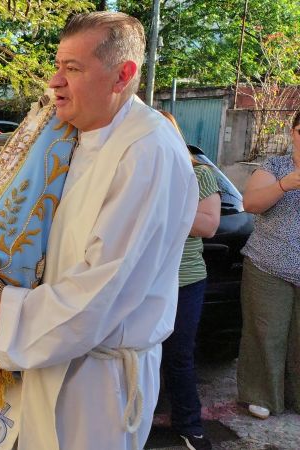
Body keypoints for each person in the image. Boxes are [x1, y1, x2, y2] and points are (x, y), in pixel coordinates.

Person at [0, 12, 197, 449]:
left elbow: (105, 286)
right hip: (49, 352)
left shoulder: (147, 152)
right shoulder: (74, 136)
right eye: (58, 66)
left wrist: (7, 312)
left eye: (73, 68)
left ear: (122, 75)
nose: (54, 81)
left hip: (96, 383)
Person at [159, 111, 220, 450]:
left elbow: (208, 225)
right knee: (136, 354)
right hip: (141, 279)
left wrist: (161, 205)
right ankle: (130, 422)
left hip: (183, 281)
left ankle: (189, 425)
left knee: (178, 356)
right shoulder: (135, 171)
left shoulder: (198, 173)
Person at [237, 109, 300, 420]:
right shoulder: (275, 167)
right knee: (266, 332)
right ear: (293, 132)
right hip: (268, 265)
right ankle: (261, 394)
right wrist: (285, 185)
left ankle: (295, 396)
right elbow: (250, 204)